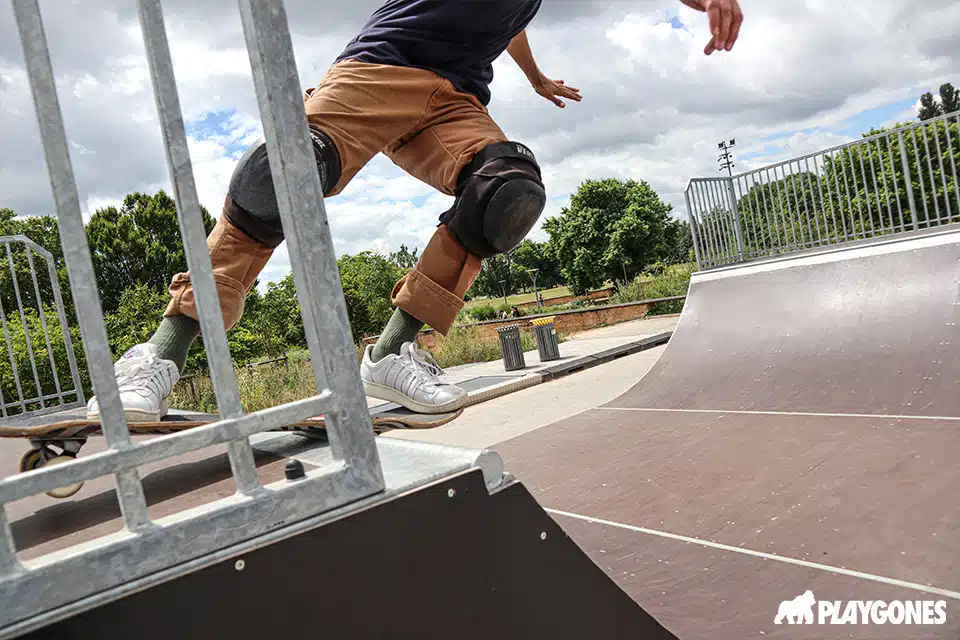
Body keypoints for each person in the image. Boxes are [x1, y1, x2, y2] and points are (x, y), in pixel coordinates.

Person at [86, 0, 743, 422]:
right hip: (380, 67)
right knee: (281, 171)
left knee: (505, 191)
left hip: (455, 101)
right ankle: (158, 357)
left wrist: (536, 78)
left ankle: (393, 354)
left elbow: (510, 22)